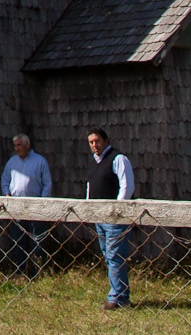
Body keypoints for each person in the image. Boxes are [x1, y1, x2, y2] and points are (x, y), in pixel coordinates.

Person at [86, 127, 135, 310]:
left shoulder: (118, 159)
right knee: (108, 256)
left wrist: (117, 212)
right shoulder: (94, 162)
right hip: (99, 217)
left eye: (97, 141)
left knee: (115, 256)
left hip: (115, 218)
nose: (94, 145)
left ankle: (119, 299)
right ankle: (116, 294)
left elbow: (126, 186)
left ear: (106, 141)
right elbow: (90, 189)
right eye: (91, 142)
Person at [0, 133, 53, 276]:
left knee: (37, 241)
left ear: (27, 145)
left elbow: (47, 183)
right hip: (16, 206)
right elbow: (5, 181)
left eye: (19, 145)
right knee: (18, 241)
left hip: (35, 206)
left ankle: (38, 271)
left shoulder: (40, 161)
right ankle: (20, 272)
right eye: (15, 146)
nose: (17, 148)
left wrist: (42, 202)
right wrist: (7, 196)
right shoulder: (12, 163)